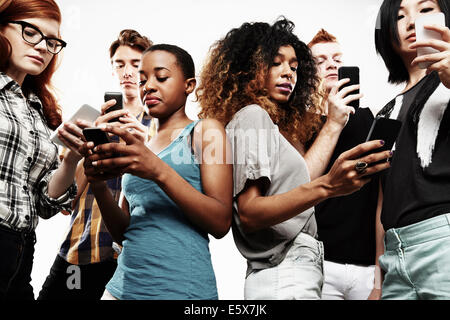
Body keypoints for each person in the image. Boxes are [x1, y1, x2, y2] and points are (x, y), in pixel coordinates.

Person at [196, 17, 392, 300]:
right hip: (285, 273)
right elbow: (250, 213)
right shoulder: (253, 115)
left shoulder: (270, 126)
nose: (288, 72)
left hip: (294, 269)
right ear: (248, 67)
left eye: (294, 66)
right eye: (276, 63)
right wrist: (329, 185)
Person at [80, 44, 233, 300]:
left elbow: (220, 222)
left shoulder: (206, 131)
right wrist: (98, 186)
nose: (148, 86)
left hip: (180, 289)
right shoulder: (142, 147)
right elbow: (123, 231)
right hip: (121, 288)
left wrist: (158, 171)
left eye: (161, 77)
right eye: (143, 81)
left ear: (189, 85)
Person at [37, 30, 153, 300]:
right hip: (79, 247)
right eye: (119, 64)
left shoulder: (159, 128)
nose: (127, 72)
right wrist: (85, 146)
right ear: (112, 69)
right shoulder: (90, 122)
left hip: (127, 256)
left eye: (135, 64)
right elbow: (66, 203)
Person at [0, 0, 82, 300]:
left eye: (51, 41)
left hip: (22, 250)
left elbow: (46, 203)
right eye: (30, 32)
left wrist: (72, 157)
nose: (42, 47)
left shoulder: (37, 109)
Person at [374, 0, 450, 300]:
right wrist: (378, 279)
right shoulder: (386, 112)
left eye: (425, 9)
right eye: (399, 15)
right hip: (394, 255)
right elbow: (382, 200)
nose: (411, 21)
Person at [308, 29, 381, 300]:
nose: (332, 64)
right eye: (320, 60)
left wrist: (379, 274)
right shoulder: (298, 123)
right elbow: (301, 184)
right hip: (319, 263)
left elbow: (379, 196)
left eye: (337, 58)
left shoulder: (366, 118)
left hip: (365, 266)